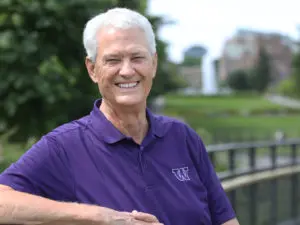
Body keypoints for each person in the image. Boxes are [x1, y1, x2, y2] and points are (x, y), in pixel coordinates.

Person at [0, 7, 239, 225]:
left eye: (137, 58)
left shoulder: (183, 138)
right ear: (92, 69)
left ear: (153, 64)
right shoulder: (64, 146)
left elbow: (226, 220)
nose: (127, 71)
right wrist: (98, 216)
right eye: (113, 60)